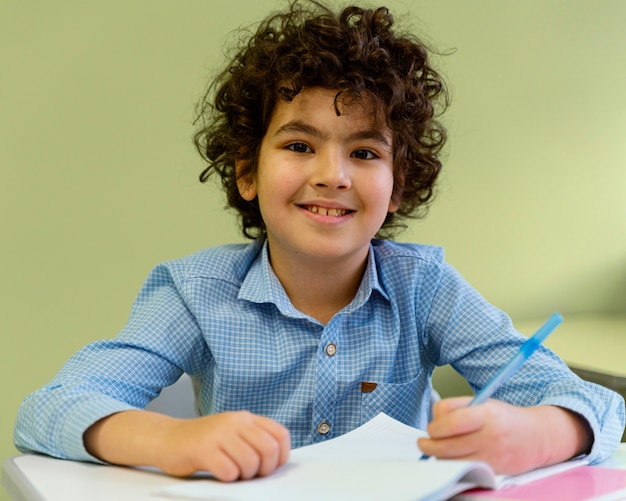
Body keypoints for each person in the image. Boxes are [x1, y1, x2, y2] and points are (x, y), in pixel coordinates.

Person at [14, 0, 624, 483]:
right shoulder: (193, 293)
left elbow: (593, 403)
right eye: (300, 145)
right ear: (246, 172)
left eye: (363, 152)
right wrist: (169, 439)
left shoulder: (427, 287)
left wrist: (537, 434)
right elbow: (49, 408)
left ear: (397, 185)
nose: (333, 175)